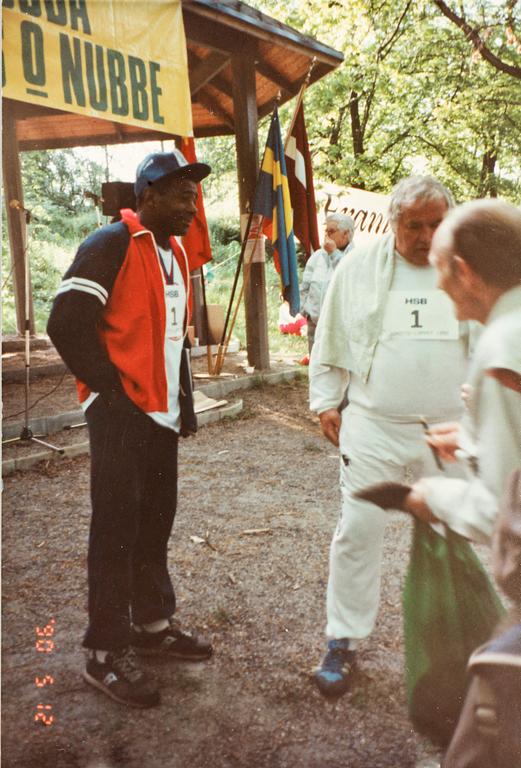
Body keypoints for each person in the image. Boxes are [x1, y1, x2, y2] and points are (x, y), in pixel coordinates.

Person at [47, 150, 213, 709]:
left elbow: (170, 339)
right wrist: (108, 393)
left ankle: (152, 626)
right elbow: (65, 322)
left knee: (153, 522)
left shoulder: (174, 251)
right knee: (116, 531)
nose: (192, 206)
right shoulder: (110, 243)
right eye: (181, 196)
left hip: (160, 415)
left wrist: (182, 404)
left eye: (194, 196)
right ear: (147, 195)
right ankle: (103, 653)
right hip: (123, 416)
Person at [309, 175, 473, 697]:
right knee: (358, 532)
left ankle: (458, 648)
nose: (426, 237)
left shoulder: (471, 269)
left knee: (453, 535)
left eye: (436, 224)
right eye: (413, 226)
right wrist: (325, 400)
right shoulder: (358, 267)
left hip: (450, 432)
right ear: (394, 222)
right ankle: (343, 639)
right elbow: (331, 333)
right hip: (374, 426)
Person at [404, 198, 521, 542]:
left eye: (439, 267)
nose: (437, 284)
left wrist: (434, 498)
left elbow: (501, 512)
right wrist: (476, 440)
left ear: (465, 272)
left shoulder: (502, 346)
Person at [300, 213, 355, 356]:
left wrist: (334, 254)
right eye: (326, 231)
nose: (327, 235)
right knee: (315, 370)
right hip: (315, 323)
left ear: (346, 234)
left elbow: (348, 277)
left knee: (335, 372)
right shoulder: (317, 256)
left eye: (332, 231)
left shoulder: (356, 256)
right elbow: (305, 286)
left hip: (340, 327)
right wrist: (305, 310)